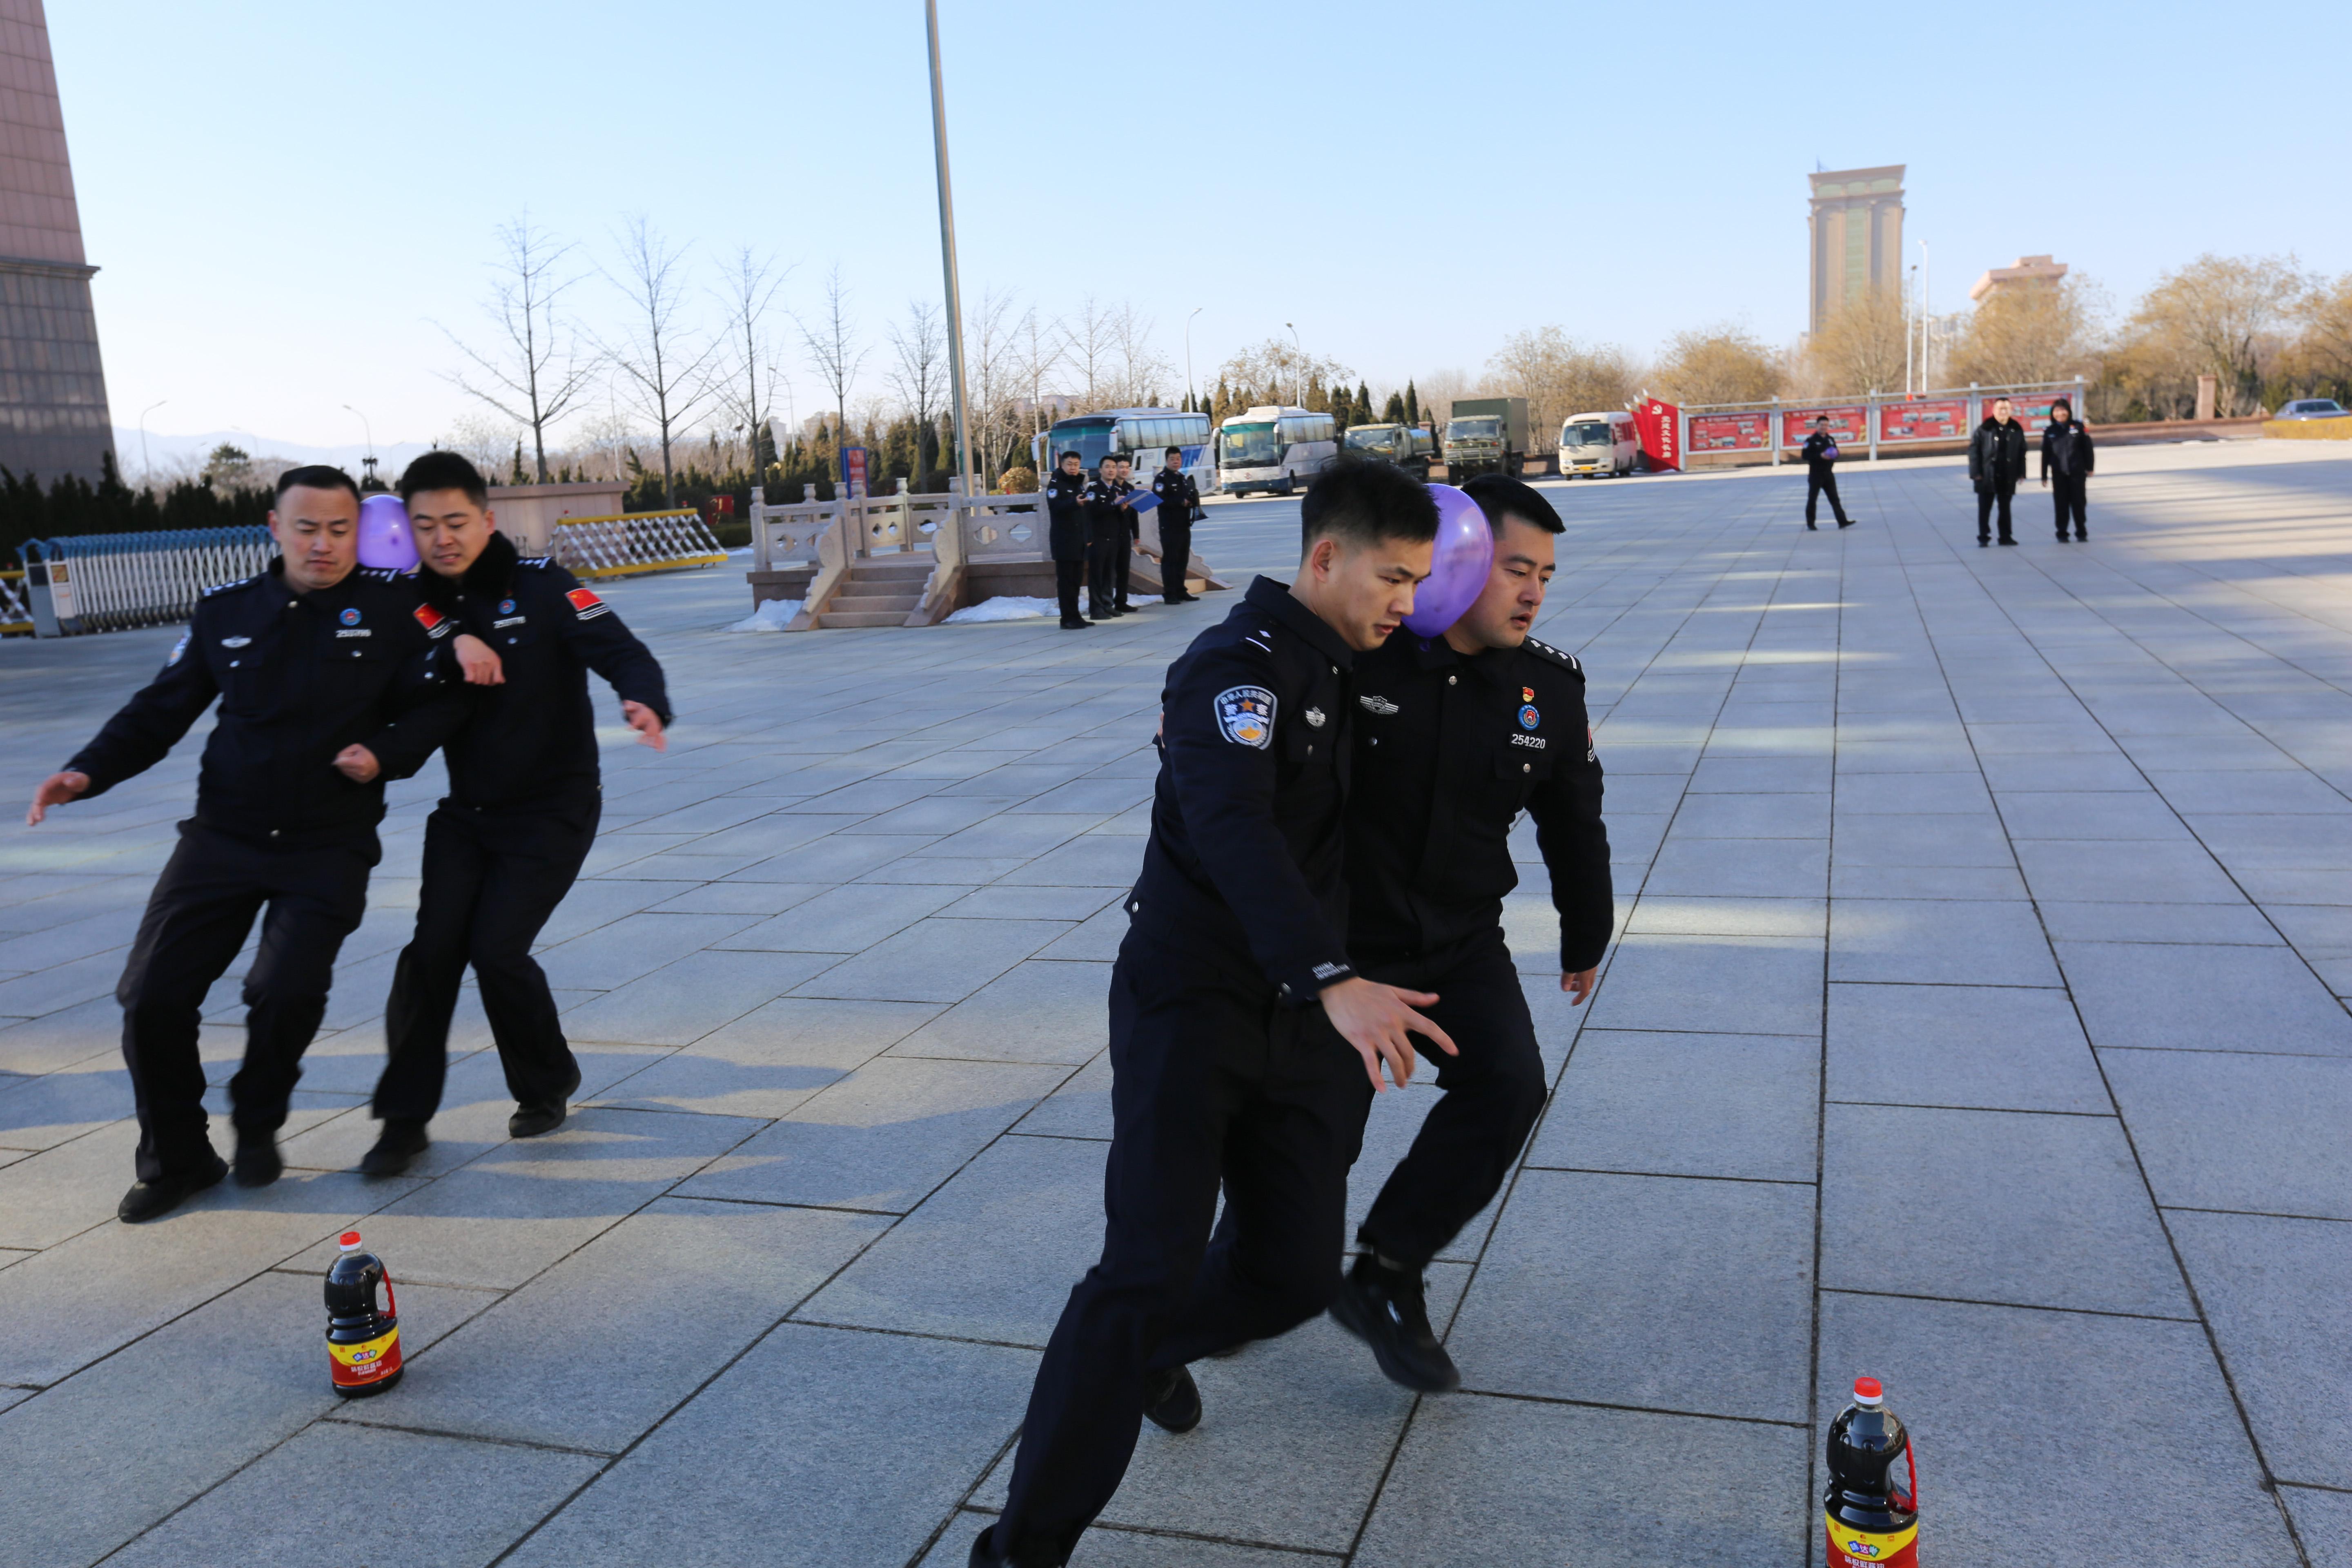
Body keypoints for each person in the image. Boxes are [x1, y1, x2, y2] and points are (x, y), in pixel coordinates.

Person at [971, 463, 1451, 1568]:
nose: (1407, 601)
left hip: (1304, 1024)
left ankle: (1146, 1351)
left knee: (1292, 1271)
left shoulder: (1369, 664)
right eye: (1392, 577)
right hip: (1192, 1004)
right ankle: (1019, 1551)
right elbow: (1233, 826)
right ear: (1324, 557)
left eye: (1419, 582)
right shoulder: (1231, 670)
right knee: (1141, 1269)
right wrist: (1331, 975)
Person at [25, 466, 469, 1222]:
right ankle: (179, 1160)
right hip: (222, 838)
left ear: (358, 533)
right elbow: (158, 711)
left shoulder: (396, 608)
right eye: (307, 528)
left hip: (327, 844)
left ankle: (258, 1118)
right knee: (150, 996)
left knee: (283, 988)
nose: (323, 545)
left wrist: (385, 752)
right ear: (275, 527)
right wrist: (87, 771)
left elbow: (443, 700)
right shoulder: (225, 610)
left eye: (339, 530)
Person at [1328, 474, 1613, 1392]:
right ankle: (1224, 1288)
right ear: (1456, 558)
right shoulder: (1359, 658)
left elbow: (1575, 823)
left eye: (1547, 577)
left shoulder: (1548, 689)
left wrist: (1586, 937)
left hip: (1458, 940)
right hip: (1341, 954)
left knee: (1510, 1084)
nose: (1533, 594)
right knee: (1307, 1153)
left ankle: (1387, 1271)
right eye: (1516, 570)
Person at [361, 451, 673, 1176]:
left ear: (487, 518)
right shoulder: (413, 605)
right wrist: (448, 647)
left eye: (456, 521)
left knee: (497, 950)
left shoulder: (543, 586)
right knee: (430, 955)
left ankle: (546, 1082)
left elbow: (622, 650)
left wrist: (644, 699)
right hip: (466, 814)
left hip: (552, 809)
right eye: (426, 525)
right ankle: (403, 1121)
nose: (442, 538)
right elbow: (396, 689)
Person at [1043, 450, 1092, 630]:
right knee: (1066, 582)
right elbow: (1054, 506)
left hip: (1078, 541)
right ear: (1062, 465)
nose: (1073, 468)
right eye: (1070, 464)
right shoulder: (1056, 484)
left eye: (1076, 465)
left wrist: (1088, 537)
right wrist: (1074, 503)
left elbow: (1084, 514)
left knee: (1076, 581)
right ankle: (1067, 619)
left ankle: (1076, 616)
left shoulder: (1078, 483)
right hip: (1064, 541)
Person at [1971, 396, 2028, 546]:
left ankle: (2006, 536)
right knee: (1985, 509)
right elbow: (1974, 452)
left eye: (2006, 409)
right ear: (1994, 410)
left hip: (2007, 474)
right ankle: (1984, 537)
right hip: (1987, 475)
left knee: (2005, 508)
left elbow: (2022, 452)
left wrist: (2022, 472)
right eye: (2000, 409)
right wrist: (1976, 473)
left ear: (2011, 410)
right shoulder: (1984, 429)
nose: (2003, 412)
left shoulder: (2016, 429)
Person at [1149, 445, 1201, 603]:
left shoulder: (1182, 478)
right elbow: (1159, 500)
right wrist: (1181, 502)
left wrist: (1192, 501)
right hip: (1169, 526)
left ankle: (1181, 590)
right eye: (1172, 459)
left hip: (1183, 524)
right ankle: (1170, 593)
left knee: (1182, 559)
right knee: (1171, 560)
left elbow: (1187, 496)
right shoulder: (1162, 479)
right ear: (1167, 461)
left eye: (1178, 459)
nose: (1176, 462)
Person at [2042, 399, 2095, 541]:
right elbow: (2046, 454)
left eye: (2063, 410)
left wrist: (2090, 467)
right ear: (2053, 414)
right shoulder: (2050, 431)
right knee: (2061, 504)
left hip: (2077, 473)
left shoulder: (2078, 427)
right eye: (2057, 411)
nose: (2060, 413)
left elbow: (2088, 448)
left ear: (2069, 412)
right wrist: (2044, 475)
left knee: (2079, 503)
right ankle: (2062, 533)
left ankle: (2081, 532)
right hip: (2059, 474)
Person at [1082, 456, 1127, 620]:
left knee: (1109, 573)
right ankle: (1096, 609)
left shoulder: (1117, 490)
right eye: (1108, 467)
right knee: (1097, 575)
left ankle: (1108, 605)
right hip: (1098, 538)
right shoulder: (1094, 489)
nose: (1111, 470)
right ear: (1100, 470)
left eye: (1114, 467)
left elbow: (1119, 516)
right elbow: (1092, 511)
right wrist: (1113, 504)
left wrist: (1123, 509)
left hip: (1113, 537)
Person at [1799, 415, 1854, 530]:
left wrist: (1835, 454)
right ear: (1817, 426)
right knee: (1813, 499)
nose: (1824, 427)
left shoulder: (1830, 439)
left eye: (1826, 425)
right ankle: (1811, 524)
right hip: (1816, 475)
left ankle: (1842, 521)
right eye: (1822, 425)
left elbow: (1837, 452)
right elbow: (1805, 456)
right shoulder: (1811, 440)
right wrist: (1820, 456)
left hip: (1828, 474)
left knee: (1835, 499)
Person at [1112, 453, 1143, 612]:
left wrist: (1136, 535)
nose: (1124, 470)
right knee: (1110, 571)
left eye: (1127, 467)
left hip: (1125, 534)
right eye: (1121, 467)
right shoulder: (1110, 487)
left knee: (1124, 570)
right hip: (1111, 535)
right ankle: (1107, 603)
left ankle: (1121, 601)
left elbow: (1134, 514)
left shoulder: (1130, 488)